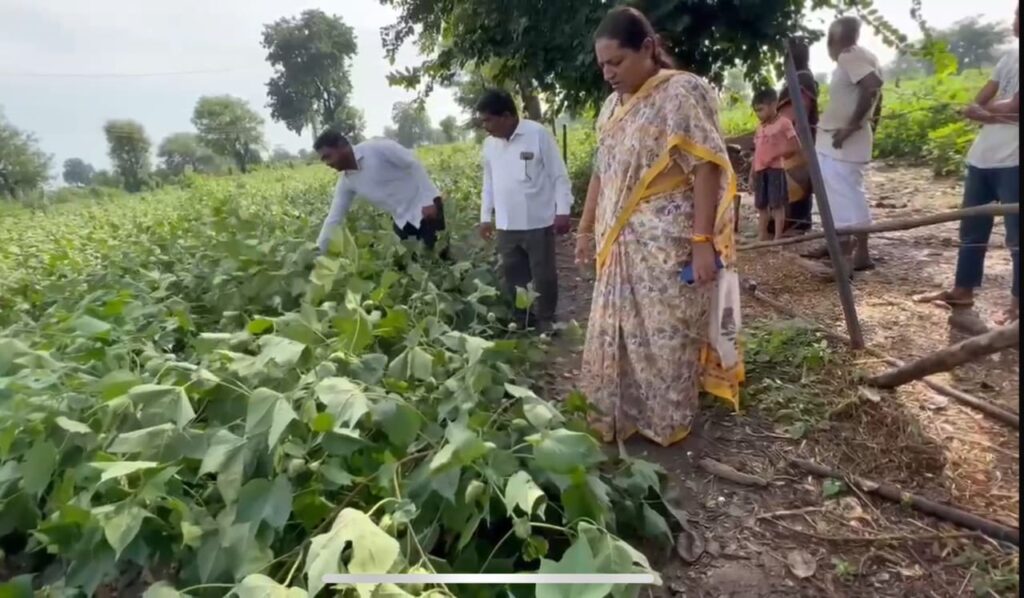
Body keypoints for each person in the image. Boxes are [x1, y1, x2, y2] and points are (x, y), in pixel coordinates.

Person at [574, 6, 743, 447]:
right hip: (619, 240)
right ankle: (620, 415)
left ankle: (665, 421)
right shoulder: (612, 107)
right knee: (620, 331)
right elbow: (602, 171)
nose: (608, 73)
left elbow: (705, 167)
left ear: (648, 48)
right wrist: (584, 228)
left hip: (666, 242)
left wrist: (702, 242)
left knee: (665, 338)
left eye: (617, 62)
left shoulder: (680, 93)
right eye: (603, 65)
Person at [914, 6, 1019, 324]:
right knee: (972, 230)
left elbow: (1014, 106)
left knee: (1017, 237)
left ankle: (1017, 306)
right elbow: (981, 99)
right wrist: (990, 111)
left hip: (1015, 159)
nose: (1013, 20)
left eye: (1017, 14)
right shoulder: (1009, 56)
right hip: (983, 156)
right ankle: (962, 291)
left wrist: (990, 111)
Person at [477, 89, 573, 332]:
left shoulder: (537, 134)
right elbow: (488, 182)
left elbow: (558, 175)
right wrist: (485, 217)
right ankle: (523, 320)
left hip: (537, 220)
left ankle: (545, 320)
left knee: (543, 275)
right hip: (507, 224)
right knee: (514, 277)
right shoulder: (489, 145)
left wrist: (562, 210)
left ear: (507, 116)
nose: (485, 126)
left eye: (489, 120)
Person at [814, 16, 883, 273]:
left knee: (839, 200)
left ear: (834, 40)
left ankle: (842, 261)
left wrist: (852, 125)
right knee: (853, 196)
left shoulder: (848, 56)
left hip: (840, 143)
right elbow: (877, 92)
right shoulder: (866, 56)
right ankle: (860, 253)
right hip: (845, 142)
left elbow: (873, 87)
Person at [313, 130, 449, 258]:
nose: (327, 164)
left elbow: (413, 164)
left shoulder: (377, 148)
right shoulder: (346, 182)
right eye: (323, 160)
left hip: (426, 209)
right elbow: (334, 218)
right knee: (410, 266)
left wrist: (428, 201)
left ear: (342, 145)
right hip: (402, 220)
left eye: (328, 156)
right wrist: (317, 252)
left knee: (437, 258)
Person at [776, 39, 818, 235]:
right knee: (798, 183)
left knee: (794, 183)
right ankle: (798, 222)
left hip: (795, 142)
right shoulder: (804, 78)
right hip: (801, 139)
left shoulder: (800, 80)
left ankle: (794, 225)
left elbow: (793, 115)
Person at [750, 88, 800, 241]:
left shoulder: (784, 123)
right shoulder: (760, 127)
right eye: (756, 111)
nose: (759, 114)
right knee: (761, 205)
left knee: (777, 204)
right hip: (760, 170)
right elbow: (757, 152)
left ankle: (778, 237)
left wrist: (775, 153)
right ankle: (762, 235)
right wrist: (752, 174)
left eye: (761, 109)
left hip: (775, 169)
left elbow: (795, 146)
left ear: (773, 105)